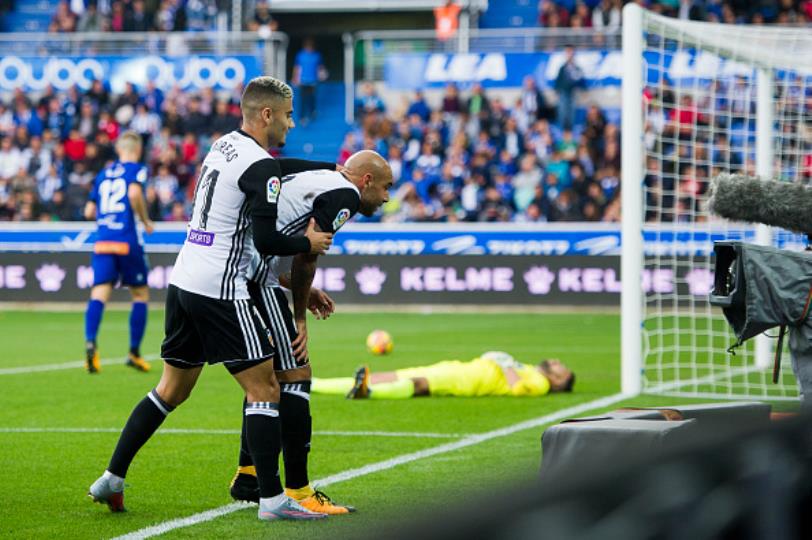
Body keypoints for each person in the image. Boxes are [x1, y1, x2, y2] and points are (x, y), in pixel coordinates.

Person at [88, 76, 337, 522]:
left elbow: (276, 171)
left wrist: (330, 168)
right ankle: (272, 500)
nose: (291, 122)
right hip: (221, 288)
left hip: (184, 281)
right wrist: (308, 246)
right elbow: (265, 239)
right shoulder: (259, 167)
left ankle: (112, 477)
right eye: (286, 114)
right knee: (266, 388)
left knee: (170, 390)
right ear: (267, 115)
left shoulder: (225, 145)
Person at [229, 150, 393, 512]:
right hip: (252, 280)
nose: (386, 197)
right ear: (366, 180)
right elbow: (307, 254)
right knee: (296, 374)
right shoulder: (345, 194)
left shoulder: (319, 181)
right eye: (385, 187)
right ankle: (300, 491)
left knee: (264, 378)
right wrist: (299, 316)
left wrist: (296, 288)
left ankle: (249, 474)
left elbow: (280, 243)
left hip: (237, 271)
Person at [83, 131, 154, 374]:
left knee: (99, 293)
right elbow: (134, 194)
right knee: (140, 295)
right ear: (137, 150)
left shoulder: (103, 174)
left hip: (103, 241)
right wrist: (145, 220)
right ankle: (134, 352)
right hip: (126, 240)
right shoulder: (136, 169)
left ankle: (90, 340)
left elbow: (88, 211)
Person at [314, 352, 575, 399]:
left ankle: (368, 392)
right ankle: (315, 384)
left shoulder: (540, 383)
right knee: (389, 375)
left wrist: (505, 363)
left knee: (418, 384)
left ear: (559, 380)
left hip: (468, 381)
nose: (557, 362)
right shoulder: (532, 369)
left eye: (561, 367)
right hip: (459, 368)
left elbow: (517, 389)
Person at [292, 37, 325, 126]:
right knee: (302, 99)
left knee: (311, 98)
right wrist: (295, 78)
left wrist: (322, 74)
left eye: (311, 46)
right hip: (303, 81)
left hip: (313, 80)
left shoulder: (317, 55)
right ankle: (302, 117)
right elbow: (297, 67)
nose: (309, 48)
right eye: (308, 46)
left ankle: (312, 112)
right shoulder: (300, 55)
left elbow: (320, 67)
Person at [554, 45, 585, 131]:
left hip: (573, 92)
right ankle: (561, 131)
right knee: (562, 112)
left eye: (571, 53)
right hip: (563, 92)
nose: (569, 55)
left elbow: (581, 80)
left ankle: (571, 131)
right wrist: (557, 90)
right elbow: (558, 80)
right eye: (568, 53)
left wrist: (583, 88)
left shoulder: (577, 68)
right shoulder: (562, 68)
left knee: (572, 112)